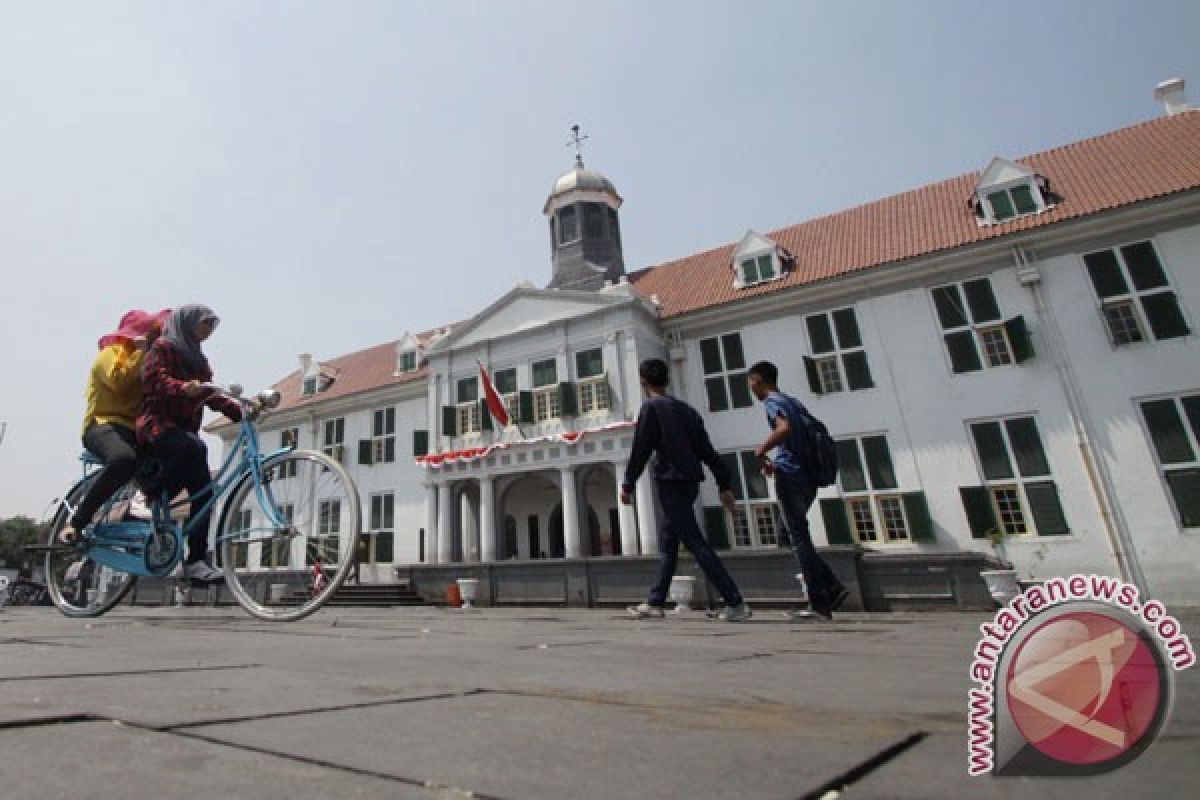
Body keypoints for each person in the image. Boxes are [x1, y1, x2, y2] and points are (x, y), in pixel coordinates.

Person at [621, 358, 751, 622]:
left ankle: (735, 601)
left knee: (694, 541)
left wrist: (628, 482)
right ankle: (656, 601)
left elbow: (641, 449)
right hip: (690, 481)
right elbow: (706, 449)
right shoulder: (687, 410)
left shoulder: (651, 408)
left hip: (671, 480)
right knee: (669, 541)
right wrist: (723, 482)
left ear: (643, 382)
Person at [138, 305, 242, 582]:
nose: (208, 331)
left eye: (211, 326)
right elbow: (153, 380)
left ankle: (196, 560)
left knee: (205, 494)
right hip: (158, 427)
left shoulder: (200, 361)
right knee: (194, 447)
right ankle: (149, 494)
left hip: (184, 434)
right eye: (204, 324)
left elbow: (210, 394)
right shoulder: (162, 348)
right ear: (187, 323)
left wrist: (240, 410)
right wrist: (182, 387)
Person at [59, 309, 171, 544]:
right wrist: (141, 353)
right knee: (123, 460)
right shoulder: (110, 354)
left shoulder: (150, 361)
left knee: (170, 460)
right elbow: (119, 383)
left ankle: (139, 515)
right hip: (102, 424)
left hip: (134, 430)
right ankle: (77, 522)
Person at [747, 360, 848, 620]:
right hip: (807, 476)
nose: (751, 388)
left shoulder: (773, 402)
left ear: (757, 380)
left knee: (798, 536)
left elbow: (784, 429)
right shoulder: (793, 401)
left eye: (750, 383)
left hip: (791, 476)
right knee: (787, 535)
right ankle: (831, 587)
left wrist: (761, 450)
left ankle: (819, 602)